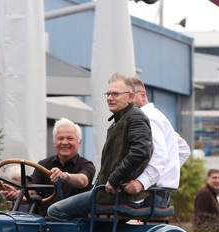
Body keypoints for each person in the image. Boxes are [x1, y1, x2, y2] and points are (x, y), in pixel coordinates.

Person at [46, 73, 152, 221]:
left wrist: (114, 179)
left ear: (130, 96)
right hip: (106, 191)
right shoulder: (120, 120)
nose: (109, 98)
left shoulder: (135, 118)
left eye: (115, 94)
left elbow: (141, 152)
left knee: (54, 210)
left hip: (115, 194)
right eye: (108, 94)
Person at [2, 118, 96, 214]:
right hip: (43, 221)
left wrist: (64, 176)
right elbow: (32, 191)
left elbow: (83, 181)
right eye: (60, 138)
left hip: (74, 222)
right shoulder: (43, 164)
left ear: (79, 142)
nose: (64, 142)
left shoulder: (86, 165)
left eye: (70, 138)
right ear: (54, 142)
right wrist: (18, 194)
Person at [121, 77, 191, 203]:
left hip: (148, 193)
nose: (126, 100)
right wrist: (165, 173)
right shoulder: (156, 115)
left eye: (130, 95)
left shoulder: (146, 118)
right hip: (158, 192)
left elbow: (160, 155)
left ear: (142, 94)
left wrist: (142, 181)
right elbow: (183, 149)